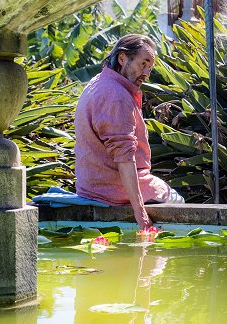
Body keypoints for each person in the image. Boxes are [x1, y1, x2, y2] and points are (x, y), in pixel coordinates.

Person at [74, 34, 184, 229]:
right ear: (123, 58)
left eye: (150, 67)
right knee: (179, 203)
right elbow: (125, 159)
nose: (147, 73)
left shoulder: (98, 82)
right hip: (111, 190)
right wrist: (140, 213)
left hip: (90, 186)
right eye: (144, 64)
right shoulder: (116, 96)